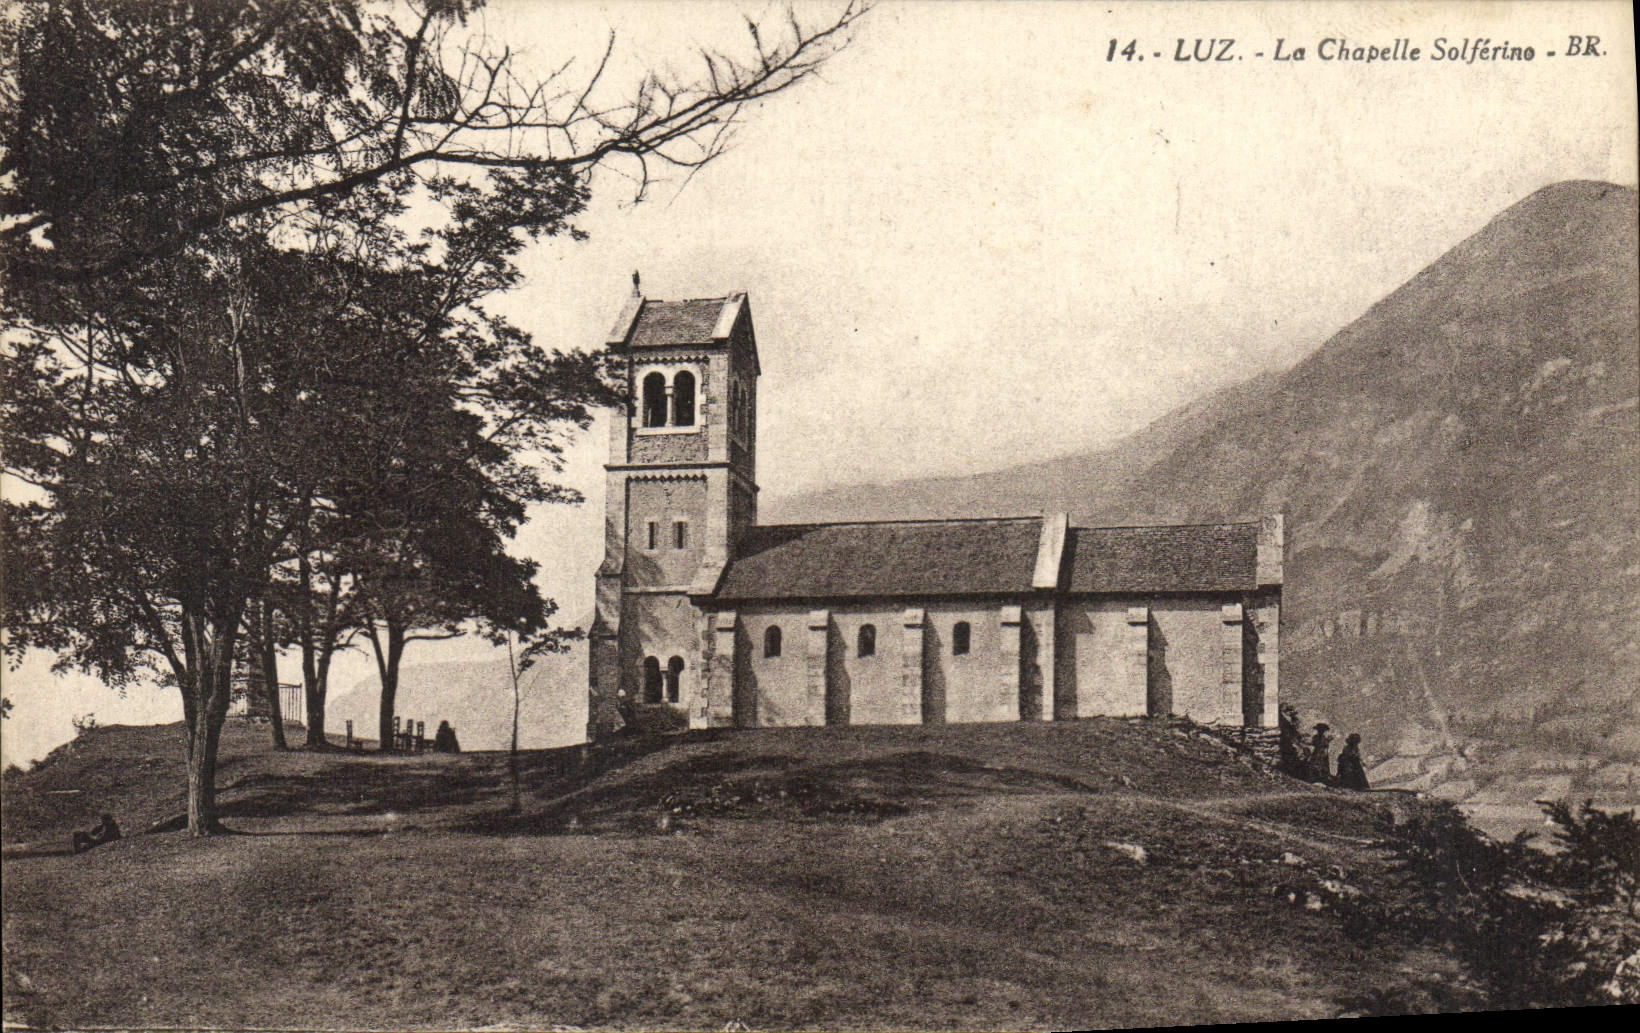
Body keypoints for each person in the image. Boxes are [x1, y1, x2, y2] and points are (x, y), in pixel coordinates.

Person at [1277, 703, 1305, 777]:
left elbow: (1295, 732)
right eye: (1289, 712)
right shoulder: (1283, 721)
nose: (1291, 714)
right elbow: (1286, 733)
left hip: (1291, 741)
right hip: (1286, 741)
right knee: (1290, 755)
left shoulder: (1290, 721)